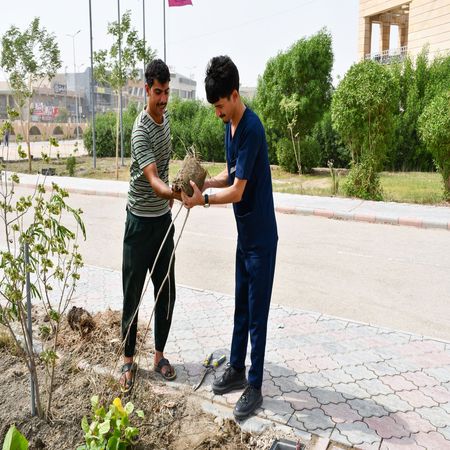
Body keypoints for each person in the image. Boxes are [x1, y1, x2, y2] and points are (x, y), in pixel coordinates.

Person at [182, 55, 278, 419]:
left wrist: (201, 200)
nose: (217, 113)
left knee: (257, 314)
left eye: (220, 106)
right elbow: (229, 174)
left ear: (234, 95)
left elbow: (238, 190)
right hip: (244, 236)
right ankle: (236, 367)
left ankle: (254, 385)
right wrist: (203, 182)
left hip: (262, 240)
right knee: (240, 305)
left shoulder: (252, 127)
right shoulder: (230, 126)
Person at [120, 59, 181, 392]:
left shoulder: (166, 119)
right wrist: (175, 192)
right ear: (147, 90)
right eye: (158, 92)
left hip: (162, 223)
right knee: (132, 294)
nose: (163, 99)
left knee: (167, 292)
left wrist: (173, 192)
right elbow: (155, 181)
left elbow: (166, 167)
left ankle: (158, 356)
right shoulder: (140, 129)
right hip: (139, 225)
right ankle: (128, 361)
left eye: (167, 92)